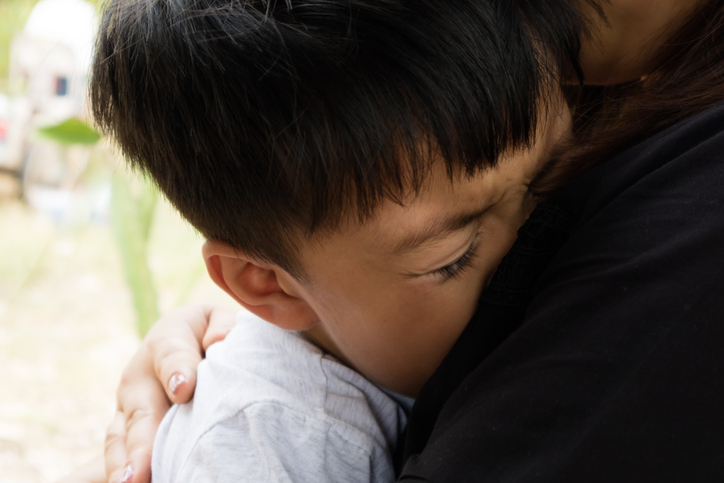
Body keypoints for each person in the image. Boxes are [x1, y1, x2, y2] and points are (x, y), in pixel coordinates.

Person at [64, 0, 724, 481]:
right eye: (455, 255)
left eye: (552, 188)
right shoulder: (270, 443)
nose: (529, 245)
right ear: (266, 284)